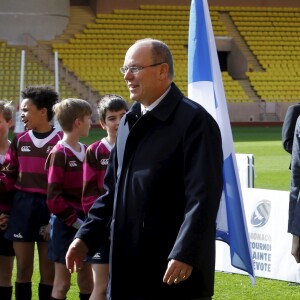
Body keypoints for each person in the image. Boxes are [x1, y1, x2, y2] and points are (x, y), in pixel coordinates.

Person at [66, 38, 223, 300]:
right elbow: (111, 193)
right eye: (125, 69)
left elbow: (203, 197)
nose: (127, 76)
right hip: (127, 267)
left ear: (163, 70)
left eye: (135, 68)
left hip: (171, 271)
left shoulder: (195, 122)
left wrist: (185, 251)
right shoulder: (128, 122)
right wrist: (85, 237)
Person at [0, 85, 63, 300]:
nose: (22, 115)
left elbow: (68, 186)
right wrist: (4, 210)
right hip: (22, 208)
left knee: (48, 272)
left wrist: (56, 217)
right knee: (23, 270)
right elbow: (7, 180)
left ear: (43, 111)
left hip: (49, 208)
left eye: (26, 110)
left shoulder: (61, 141)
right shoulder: (20, 141)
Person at [45, 98, 93, 300]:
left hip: (86, 224)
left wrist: (88, 222)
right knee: (62, 284)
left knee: (87, 281)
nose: (92, 122)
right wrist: (75, 222)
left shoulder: (87, 150)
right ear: (78, 122)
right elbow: (53, 198)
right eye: (89, 118)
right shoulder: (59, 153)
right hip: (66, 226)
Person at [82, 94, 128, 300]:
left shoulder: (137, 146)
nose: (118, 122)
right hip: (104, 231)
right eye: (112, 118)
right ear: (102, 123)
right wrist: (105, 224)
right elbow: (89, 196)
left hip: (131, 228)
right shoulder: (95, 151)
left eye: (123, 116)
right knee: (100, 287)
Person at [0, 100, 15, 300]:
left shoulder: (17, 152)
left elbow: (20, 191)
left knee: (5, 275)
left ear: (10, 123)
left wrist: (10, 215)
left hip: (7, 222)